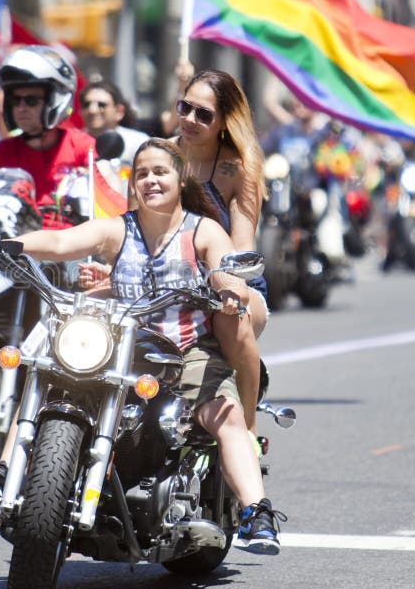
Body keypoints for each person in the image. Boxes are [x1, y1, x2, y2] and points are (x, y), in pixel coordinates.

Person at [14, 138, 287, 553]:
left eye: (160, 171)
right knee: (52, 373)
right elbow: (62, 243)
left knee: (224, 416)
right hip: (122, 351)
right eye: (141, 173)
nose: (150, 180)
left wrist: (231, 290)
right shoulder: (117, 229)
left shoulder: (203, 230)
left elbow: (226, 269)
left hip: (187, 353)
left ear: (181, 179)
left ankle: (257, 512)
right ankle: (18, 478)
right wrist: (6, 246)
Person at [166, 69, 269, 437]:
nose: (190, 120)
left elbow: (242, 249)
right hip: (163, 280)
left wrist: (226, 285)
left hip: (226, 283)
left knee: (231, 322)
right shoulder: (159, 156)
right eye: (185, 107)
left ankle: (248, 432)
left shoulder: (238, 169)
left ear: (225, 121)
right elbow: (129, 226)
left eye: (204, 114)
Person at [0, 45, 98, 229]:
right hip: (17, 250)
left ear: (54, 101)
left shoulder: (81, 146)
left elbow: (108, 191)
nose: (21, 108)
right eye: (15, 100)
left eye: (31, 100)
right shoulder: (4, 151)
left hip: (73, 250)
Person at [79, 80, 148, 172]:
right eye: (86, 104)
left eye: (101, 105)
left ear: (119, 112)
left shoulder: (139, 143)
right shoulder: (71, 143)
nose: (92, 110)